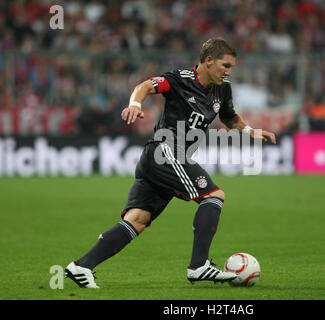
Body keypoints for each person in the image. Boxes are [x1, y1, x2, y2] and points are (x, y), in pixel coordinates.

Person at [65, 37, 276, 288]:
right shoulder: (180, 79)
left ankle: (81, 266)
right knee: (214, 196)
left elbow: (229, 117)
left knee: (138, 219)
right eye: (225, 65)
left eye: (231, 67)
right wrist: (135, 104)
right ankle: (199, 266)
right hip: (165, 151)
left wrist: (251, 131)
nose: (228, 72)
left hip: (162, 160)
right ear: (208, 61)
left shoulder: (222, 88)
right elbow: (145, 86)